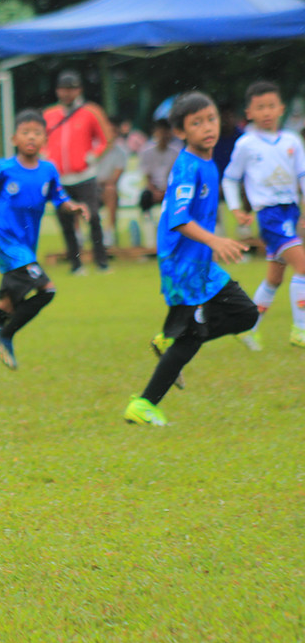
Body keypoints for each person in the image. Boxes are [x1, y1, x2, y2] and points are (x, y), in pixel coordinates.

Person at [124, 92, 258, 427]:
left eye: (211, 119)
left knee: (245, 314)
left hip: (200, 261)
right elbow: (178, 219)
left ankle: (172, 338)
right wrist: (214, 240)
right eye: (196, 123)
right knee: (192, 338)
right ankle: (143, 404)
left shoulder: (208, 163)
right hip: (181, 264)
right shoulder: (187, 167)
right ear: (181, 132)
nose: (207, 127)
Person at [0, 109, 90, 386]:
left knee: (6, 306)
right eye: (25, 132)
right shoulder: (5, 169)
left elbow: (60, 198)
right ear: (14, 138)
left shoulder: (48, 171)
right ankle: (5, 335)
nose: (31, 137)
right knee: (47, 289)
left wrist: (74, 207)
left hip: (26, 247)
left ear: (44, 139)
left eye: (37, 133)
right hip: (5, 242)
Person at [221, 80, 305, 350]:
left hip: (290, 211)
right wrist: (236, 209)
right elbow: (230, 178)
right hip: (269, 215)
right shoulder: (246, 144)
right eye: (260, 107)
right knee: (303, 267)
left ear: (281, 108)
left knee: (275, 278)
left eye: (271, 106)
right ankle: (300, 330)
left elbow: (303, 176)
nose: (266, 112)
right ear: (249, 113)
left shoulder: (292, 141)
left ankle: (249, 328)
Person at [43, 69, 110, 274]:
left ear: (78, 90)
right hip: (60, 178)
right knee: (65, 222)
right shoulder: (49, 114)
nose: (67, 93)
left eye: (71, 89)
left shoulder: (91, 112)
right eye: (63, 89)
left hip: (84, 176)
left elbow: (106, 139)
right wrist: (46, 157)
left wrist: (92, 156)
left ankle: (101, 262)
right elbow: (42, 139)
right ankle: (76, 264)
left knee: (93, 217)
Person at [137, 119, 181, 247]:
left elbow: (176, 177)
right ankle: (150, 239)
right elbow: (147, 177)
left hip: (170, 188)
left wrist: (167, 191)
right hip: (153, 188)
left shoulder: (176, 152)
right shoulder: (146, 151)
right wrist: (154, 191)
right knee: (145, 198)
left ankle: (176, 238)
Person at [96, 116, 130, 247]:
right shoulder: (94, 148)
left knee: (110, 190)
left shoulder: (121, 152)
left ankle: (109, 232)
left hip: (106, 189)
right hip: (90, 188)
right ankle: (78, 235)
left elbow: (115, 178)